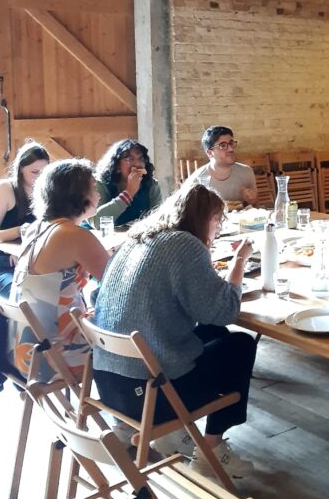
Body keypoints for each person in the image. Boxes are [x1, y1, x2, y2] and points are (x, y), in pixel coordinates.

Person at [91, 176, 257, 478]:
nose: (216, 231)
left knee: (215, 336)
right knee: (241, 344)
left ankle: (161, 432)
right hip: (149, 395)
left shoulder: (137, 239)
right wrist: (238, 263)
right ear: (206, 219)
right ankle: (212, 449)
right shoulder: (185, 245)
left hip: (110, 387)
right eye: (217, 223)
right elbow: (225, 310)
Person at [11, 158, 110, 381]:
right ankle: (141, 408)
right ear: (77, 195)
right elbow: (120, 285)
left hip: (28, 352)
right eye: (93, 187)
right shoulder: (73, 234)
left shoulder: (37, 228)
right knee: (141, 334)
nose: (98, 193)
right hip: (59, 356)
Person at [0, 141, 50, 395]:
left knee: (56, 294)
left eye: (43, 171)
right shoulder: (5, 190)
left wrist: (26, 250)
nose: (39, 178)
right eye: (34, 172)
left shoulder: (47, 194)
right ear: (21, 171)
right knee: (27, 296)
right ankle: (14, 366)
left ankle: (45, 365)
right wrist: (20, 233)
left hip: (31, 262)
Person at [92, 139, 162, 229]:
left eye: (141, 159)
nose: (137, 164)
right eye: (130, 159)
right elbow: (97, 223)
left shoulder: (151, 185)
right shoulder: (99, 185)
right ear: (117, 166)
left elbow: (157, 219)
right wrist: (128, 193)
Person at [196, 125, 257, 205]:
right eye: (223, 146)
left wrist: (251, 200)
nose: (231, 149)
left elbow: (256, 206)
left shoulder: (246, 172)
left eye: (231, 143)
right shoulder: (199, 180)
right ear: (210, 153)